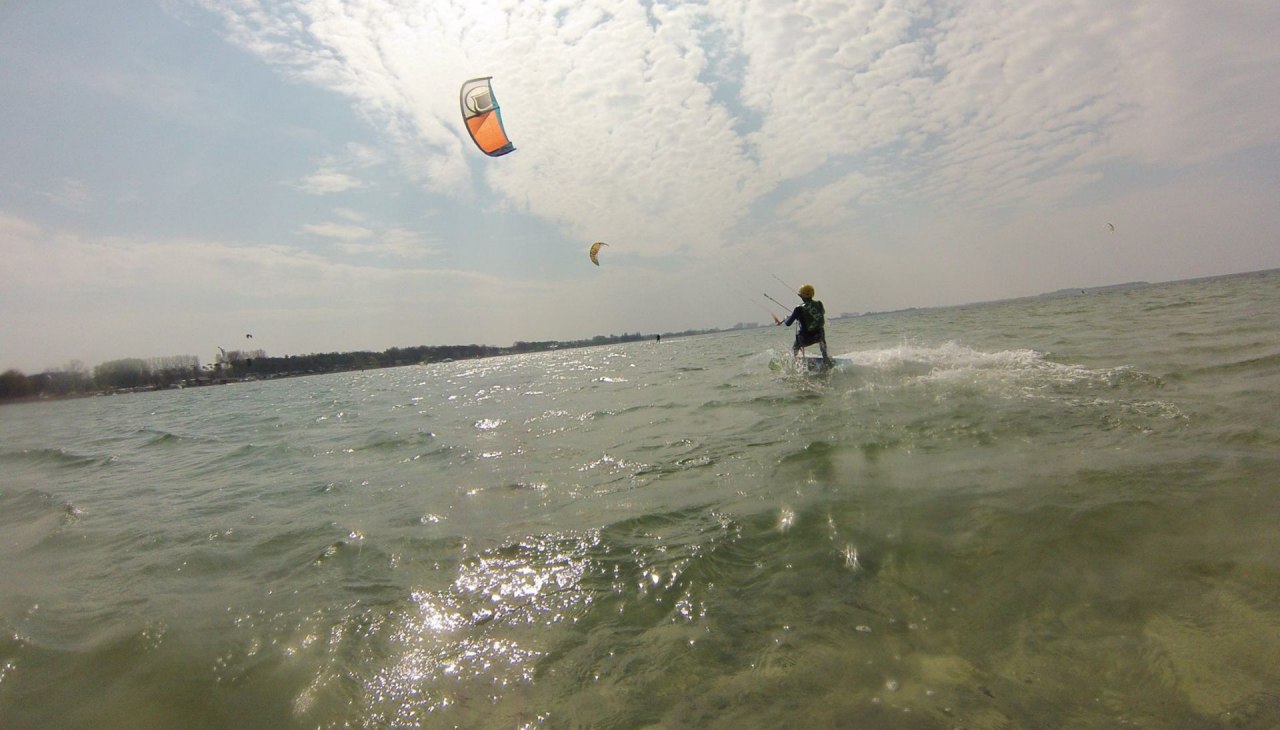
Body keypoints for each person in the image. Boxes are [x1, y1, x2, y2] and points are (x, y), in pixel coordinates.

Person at [778, 283, 832, 367]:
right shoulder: (819, 304)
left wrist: (785, 319)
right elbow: (822, 313)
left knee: (795, 346)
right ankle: (825, 358)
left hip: (804, 339)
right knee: (821, 332)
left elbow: (788, 323)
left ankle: (792, 361)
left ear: (801, 296)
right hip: (818, 337)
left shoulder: (799, 308)